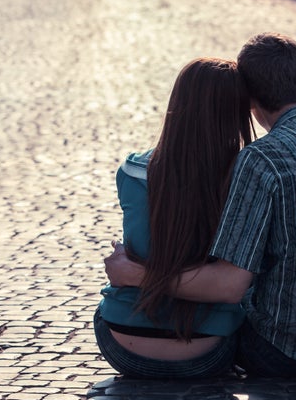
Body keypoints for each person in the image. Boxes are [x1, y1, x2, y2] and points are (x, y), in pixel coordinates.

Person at [105, 33, 296, 377]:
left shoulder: (262, 159)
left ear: (248, 100)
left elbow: (229, 287)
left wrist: (138, 273)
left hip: (283, 350)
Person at [95, 57, 254, 379]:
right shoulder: (247, 177)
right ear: (239, 109)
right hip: (209, 349)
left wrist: (135, 272)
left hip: (122, 341)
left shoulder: (132, 172)